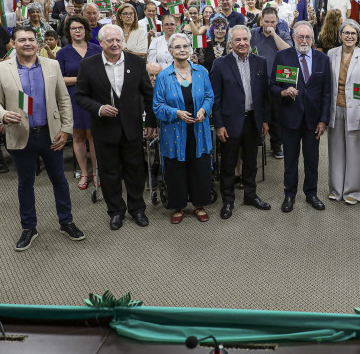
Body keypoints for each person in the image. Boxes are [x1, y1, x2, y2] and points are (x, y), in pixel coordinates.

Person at [0, 26, 83, 251]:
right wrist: (2, 115)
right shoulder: (2, 69)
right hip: (21, 135)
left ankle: (66, 222)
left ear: (37, 43)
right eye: (22, 40)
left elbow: (64, 99)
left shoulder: (52, 65)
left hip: (51, 134)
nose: (27, 43)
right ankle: (29, 228)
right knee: (25, 183)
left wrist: (66, 129)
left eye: (31, 39)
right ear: (14, 44)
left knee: (59, 179)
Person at [75, 25, 156, 230]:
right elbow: (80, 96)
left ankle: (137, 209)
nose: (114, 44)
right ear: (100, 43)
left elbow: (148, 94)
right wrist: (99, 108)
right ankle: (116, 211)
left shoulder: (137, 62)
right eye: (109, 40)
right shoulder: (88, 65)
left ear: (122, 42)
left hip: (132, 128)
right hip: (104, 129)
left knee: (135, 171)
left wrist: (151, 122)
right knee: (109, 173)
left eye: (118, 40)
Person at [210, 25, 272, 219]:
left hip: (253, 120)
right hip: (229, 123)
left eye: (245, 39)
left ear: (250, 41)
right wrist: (219, 125)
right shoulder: (220, 64)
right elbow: (215, 99)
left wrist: (265, 120)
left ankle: (250, 195)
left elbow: (264, 96)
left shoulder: (260, 62)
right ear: (231, 42)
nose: (242, 43)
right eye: (237, 40)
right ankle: (228, 201)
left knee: (251, 161)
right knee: (228, 164)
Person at [270, 21, 332, 213]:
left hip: (313, 120)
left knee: (312, 161)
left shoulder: (322, 59)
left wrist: (323, 120)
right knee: (290, 160)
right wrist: (283, 92)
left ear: (312, 39)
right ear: (293, 37)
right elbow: (272, 86)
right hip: (290, 117)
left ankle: (311, 193)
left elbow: (327, 93)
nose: (304, 40)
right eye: (300, 37)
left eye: (308, 37)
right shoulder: (282, 56)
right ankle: (289, 195)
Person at [153, 33, 215, 224]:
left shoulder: (201, 71)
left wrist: (204, 110)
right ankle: (178, 206)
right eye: (177, 47)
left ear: (190, 49)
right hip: (173, 132)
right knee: (176, 169)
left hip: (199, 129)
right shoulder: (163, 75)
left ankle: (199, 205)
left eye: (185, 46)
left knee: (199, 166)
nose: (182, 50)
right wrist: (176, 113)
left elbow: (209, 96)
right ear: (170, 50)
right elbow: (157, 106)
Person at [326, 20, 360, 205]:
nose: (349, 36)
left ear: (358, 36)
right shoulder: (331, 54)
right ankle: (336, 189)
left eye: (353, 33)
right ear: (340, 35)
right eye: (346, 33)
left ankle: (355, 191)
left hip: (356, 110)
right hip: (336, 108)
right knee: (336, 151)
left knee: (357, 152)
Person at [56, 16, 102, 190]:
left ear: (86, 30)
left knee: (94, 136)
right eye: (73, 28)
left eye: (80, 28)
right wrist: (81, 79)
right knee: (78, 136)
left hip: (95, 98)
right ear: (69, 31)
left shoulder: (96, 49)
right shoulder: (63, 53)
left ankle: (96, 172)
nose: (77, 31)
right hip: (72, 98)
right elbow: (59, 79)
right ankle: (84, 173)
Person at [251, 7, 293, 160]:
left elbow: (289, 52)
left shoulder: (283, 34)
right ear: (261, 20)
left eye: (273, 22)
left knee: (276, 115)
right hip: (256, 80)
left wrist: (274, 34)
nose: (269, 25)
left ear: (277, 22)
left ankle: (276, 144)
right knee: (256, 112)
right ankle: (258, 138)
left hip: (276, 82)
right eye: (266, 21)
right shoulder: (252, 33)